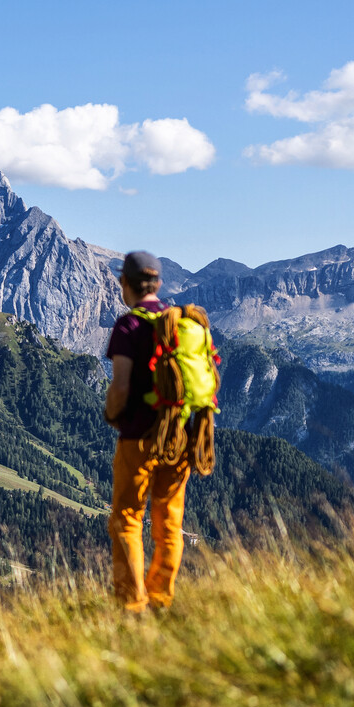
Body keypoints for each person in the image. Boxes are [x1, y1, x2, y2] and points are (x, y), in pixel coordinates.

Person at [104, 251, 193, 613]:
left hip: (138, 436)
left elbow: (121, 386)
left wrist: (112, 414)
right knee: (169, 521)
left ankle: (132, 605)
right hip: (180, 437)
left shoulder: (129, 326)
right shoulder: (184, 322)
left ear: (125, 284)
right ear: (158, 285)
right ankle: (161, 599)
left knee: (128, 518)